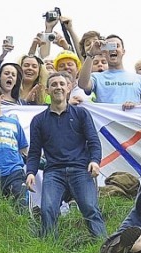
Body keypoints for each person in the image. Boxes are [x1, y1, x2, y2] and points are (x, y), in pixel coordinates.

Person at [25, 72, 105, 239]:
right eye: (54, 84)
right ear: (47, 90)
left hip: (81, 170)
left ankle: (104, 247)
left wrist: (95, 162)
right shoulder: (38, 120)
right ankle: (49, 251)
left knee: (90, 208)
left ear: (69, 88)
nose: (58, 87)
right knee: (47, 210)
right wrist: (30, 172)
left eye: (62, 84)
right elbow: (34, 152)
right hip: (54, 172)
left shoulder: (81, 114)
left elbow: (93, 142)